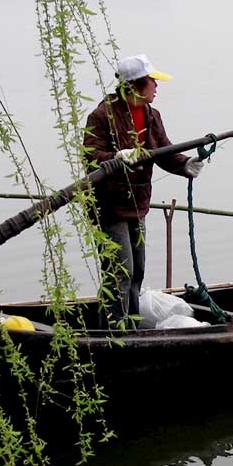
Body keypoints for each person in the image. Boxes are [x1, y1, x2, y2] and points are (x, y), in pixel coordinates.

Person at [82, 54, 205, 328]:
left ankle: (131, 325)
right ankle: (114, 333)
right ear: (136, 85)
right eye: (152, 81)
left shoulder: (151, 115)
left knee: (137, 270)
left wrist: (185, 164)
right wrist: (116, 157)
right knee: (119, 272)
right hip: (108, 206)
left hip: (138, 204)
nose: (156, 87)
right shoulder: (102, 115)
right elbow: (90, 156)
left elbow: (163, 151)